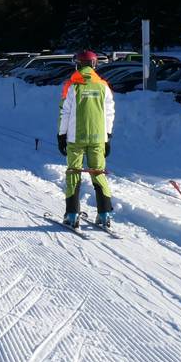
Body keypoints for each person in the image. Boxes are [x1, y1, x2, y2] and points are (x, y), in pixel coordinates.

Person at [58, 50, 115, 228]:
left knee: (73, 172)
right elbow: (109, 113)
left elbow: (64, 112)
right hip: (98, 138)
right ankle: (105, 215)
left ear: (78, 65)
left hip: (76, 138)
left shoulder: (72, 86)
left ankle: (72, 215)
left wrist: (61, 135)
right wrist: (107, 136)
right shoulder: (103, 86)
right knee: (98, 173)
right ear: (94, 64)